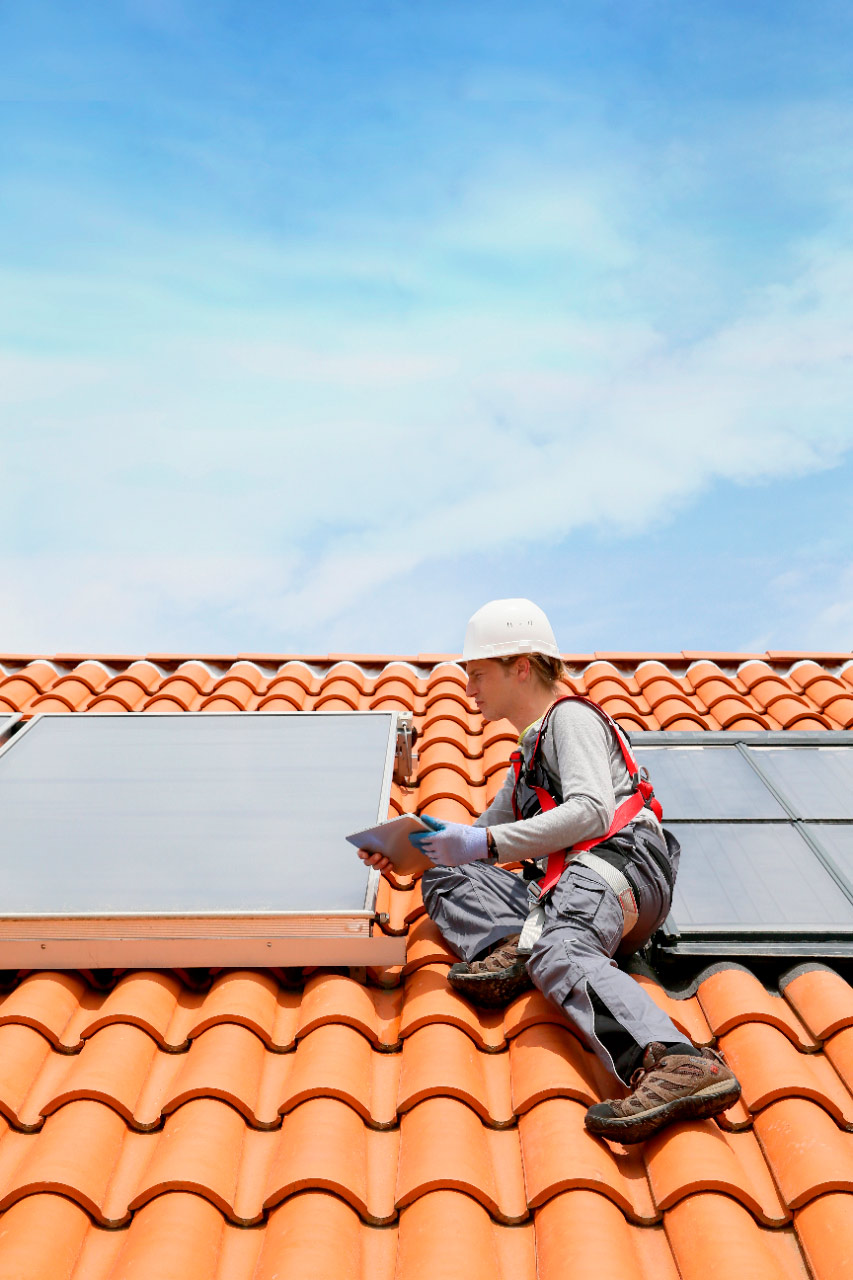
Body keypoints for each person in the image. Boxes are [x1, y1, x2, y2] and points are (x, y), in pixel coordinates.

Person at [360, 599, 741, 1143]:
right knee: (445, 876)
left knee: (560, 948)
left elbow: (591, 811)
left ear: (521, 666)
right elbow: (476, 843)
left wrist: (481, 841)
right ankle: (517, 945)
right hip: (573, 886)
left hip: (620, 868)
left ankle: (675, 1060)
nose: (469, 689)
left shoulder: (573, 718)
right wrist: (409, 852)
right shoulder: (527, 756)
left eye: (478, 673)